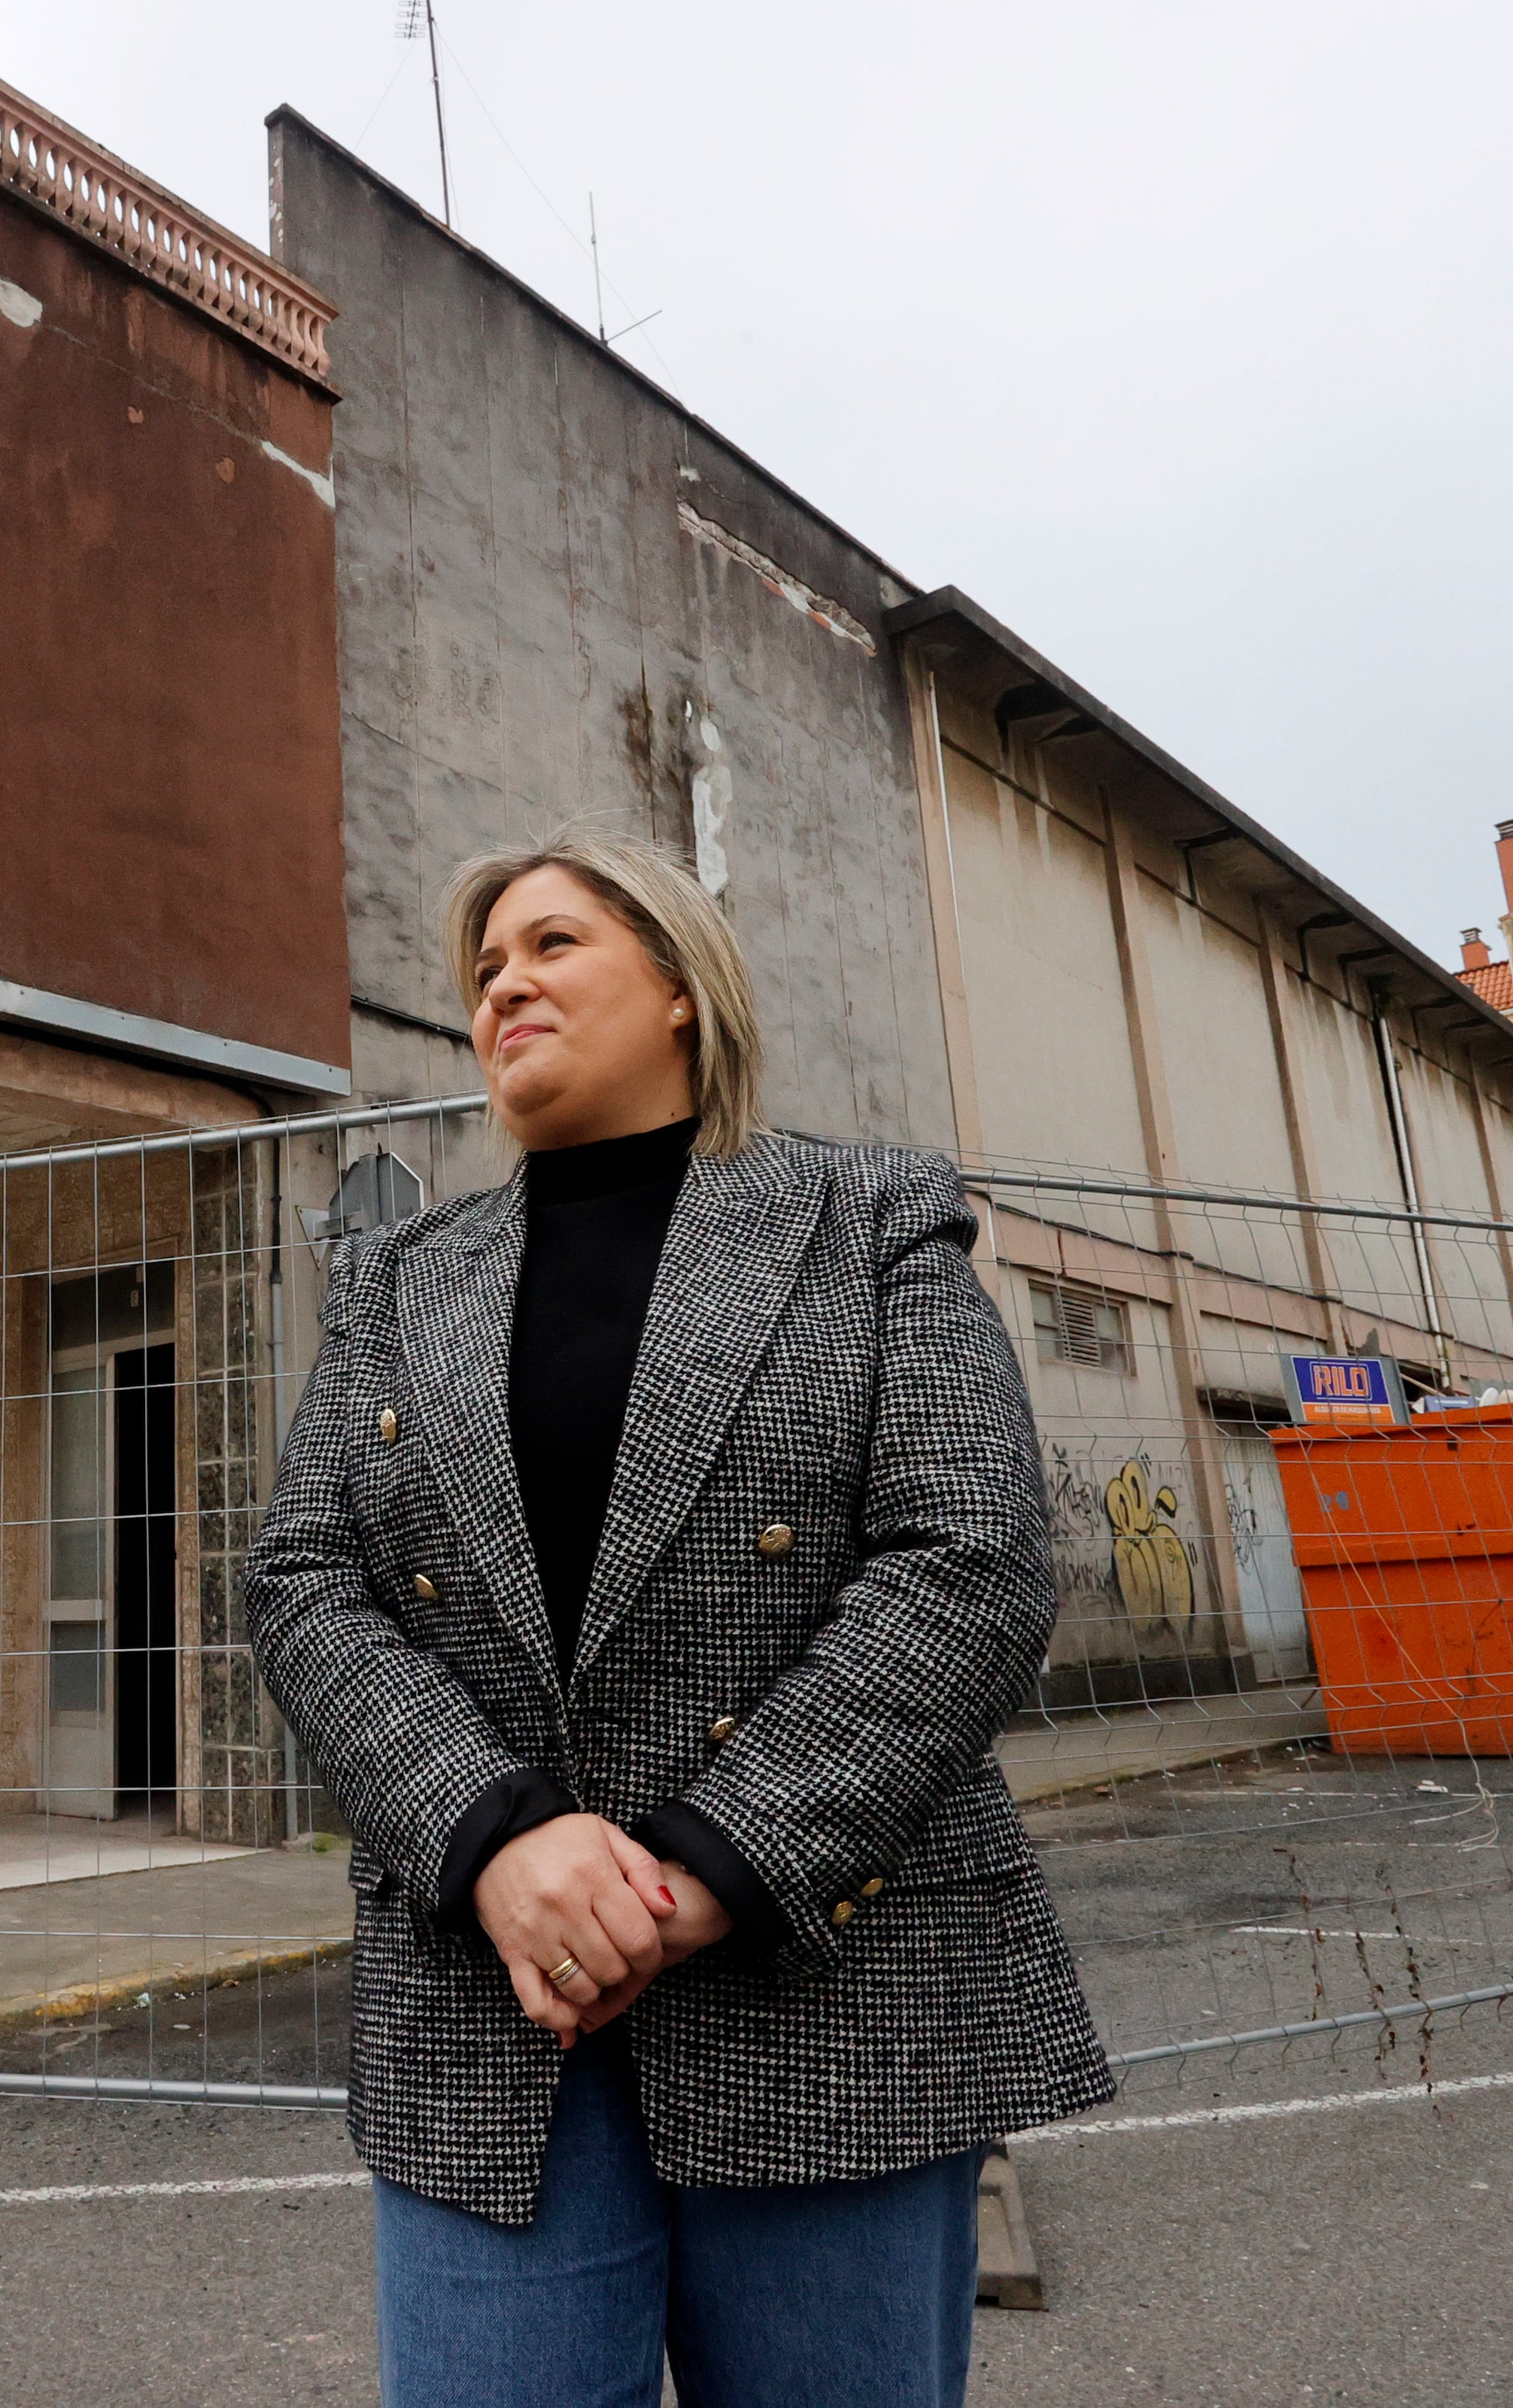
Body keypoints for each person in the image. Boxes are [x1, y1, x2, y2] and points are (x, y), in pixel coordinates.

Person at [245, 824, 1111, 2408]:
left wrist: (713, 1858)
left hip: (822, 1977)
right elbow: (305, 1577)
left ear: (681, 992)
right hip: (487, 1996)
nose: (504, 978)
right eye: (485, 963)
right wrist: (496, 1833)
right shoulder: (395, 1280)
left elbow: (969, 1553)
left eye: (553, 944)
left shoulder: (870, 1224)